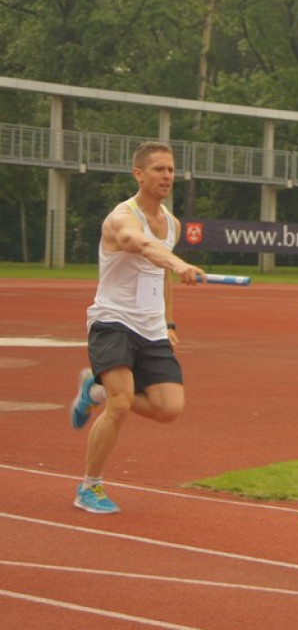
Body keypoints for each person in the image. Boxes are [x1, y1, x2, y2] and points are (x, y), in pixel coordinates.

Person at [70, 140, 205, 514]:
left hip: (151, 327)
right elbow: (138, 244)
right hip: (112, 320)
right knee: (122, 402)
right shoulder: (122, 217)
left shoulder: (173, 225)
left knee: (169, 407)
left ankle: (92, 390)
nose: (167, 176)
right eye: (159, 169)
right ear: (139, 173)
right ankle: (89, 487)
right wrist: (179, 264)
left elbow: (161, 275)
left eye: (171, 169)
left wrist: (168, 321)